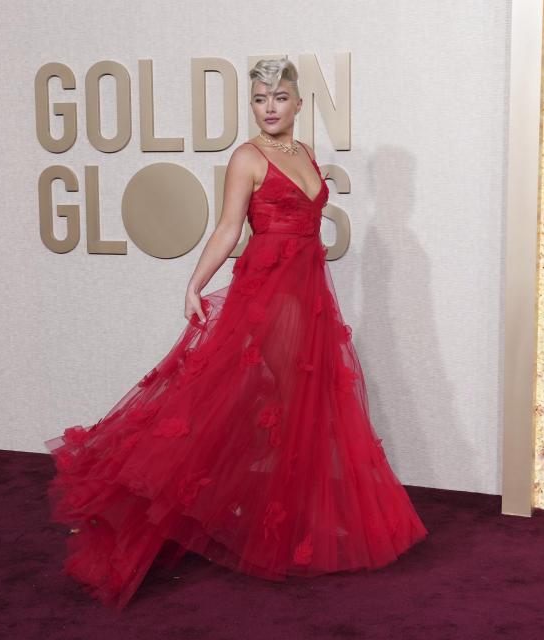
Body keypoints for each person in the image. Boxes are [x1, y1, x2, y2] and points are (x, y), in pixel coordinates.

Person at [45, 58, 428, 611]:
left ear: (298, 104)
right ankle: (159, 502)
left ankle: (290, 521)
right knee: (278, 404)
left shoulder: (304, 155)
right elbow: (228, 227)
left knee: (301, 408)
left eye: (278, 97)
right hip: (269, 293)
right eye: (259, 99)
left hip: (310, 296)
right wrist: (193, 285)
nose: (269, 107)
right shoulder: (247, 158)